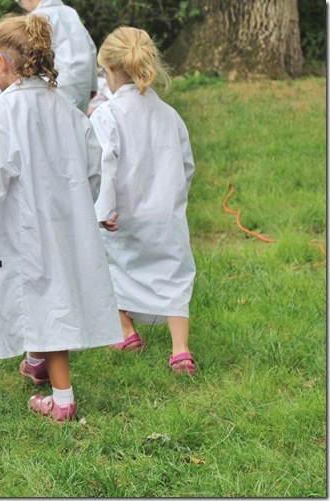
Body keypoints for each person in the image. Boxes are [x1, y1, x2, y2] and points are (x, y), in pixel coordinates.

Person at [0, 14, 123, 422]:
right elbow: (94, 163)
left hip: (25, 223)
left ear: (2, 63)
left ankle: (62, 400)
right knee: (49, 287)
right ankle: (36, 360)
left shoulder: (4, 110)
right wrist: (81, 204)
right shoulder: (66, 108)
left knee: (45, 297)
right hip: (63, 219)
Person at [90, 26, 197, 375]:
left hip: (123, 214)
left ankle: (126, 331)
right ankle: (180, 350)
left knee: (111, 268)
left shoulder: (107, 114)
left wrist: (103, 210)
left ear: (109, 71)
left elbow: (105, 164)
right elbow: (186, 164)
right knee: (173, 273)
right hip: (165, 214)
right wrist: (175, 197)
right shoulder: (169, 114)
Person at [0, 0, 97, 162]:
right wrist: (93, 86)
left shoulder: (34, 22)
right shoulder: (70, 13)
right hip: (80, 87)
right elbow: (91, 50)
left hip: (58, 85)